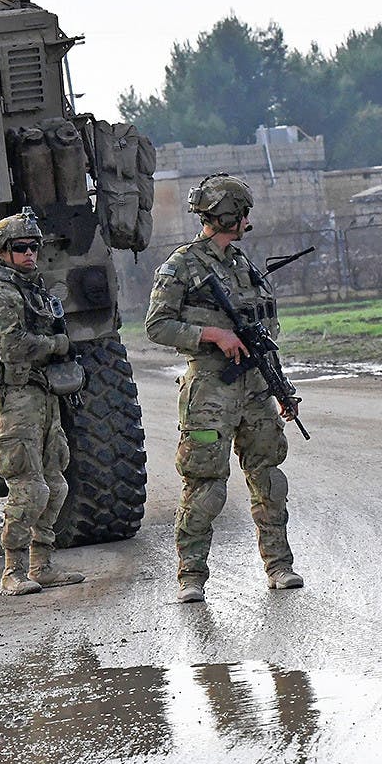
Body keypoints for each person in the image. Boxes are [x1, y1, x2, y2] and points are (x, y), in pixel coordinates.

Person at [144, 174, 302, 603]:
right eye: (243, 213)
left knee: (269, 477)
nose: (247, 221)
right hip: (210, 392)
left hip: (255, 387)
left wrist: (281, 389)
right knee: (205, 485)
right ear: (230, 214)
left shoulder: (241, 264)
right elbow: (157, 326)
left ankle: (279, 566)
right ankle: (191, 576)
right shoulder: (181, 266)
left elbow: (263, 333)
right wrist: (213, 335)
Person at [0, 211, 85, 596]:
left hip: (42, 394)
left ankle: (42, 565)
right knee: (28, 487)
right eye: (21, 248)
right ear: (2, 251)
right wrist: (57, 345)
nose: (31, 253)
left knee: (55, 484)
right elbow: (12, 347)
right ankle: (12, 571)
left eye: (35, 246)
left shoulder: (32, 290)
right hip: (14, 397)